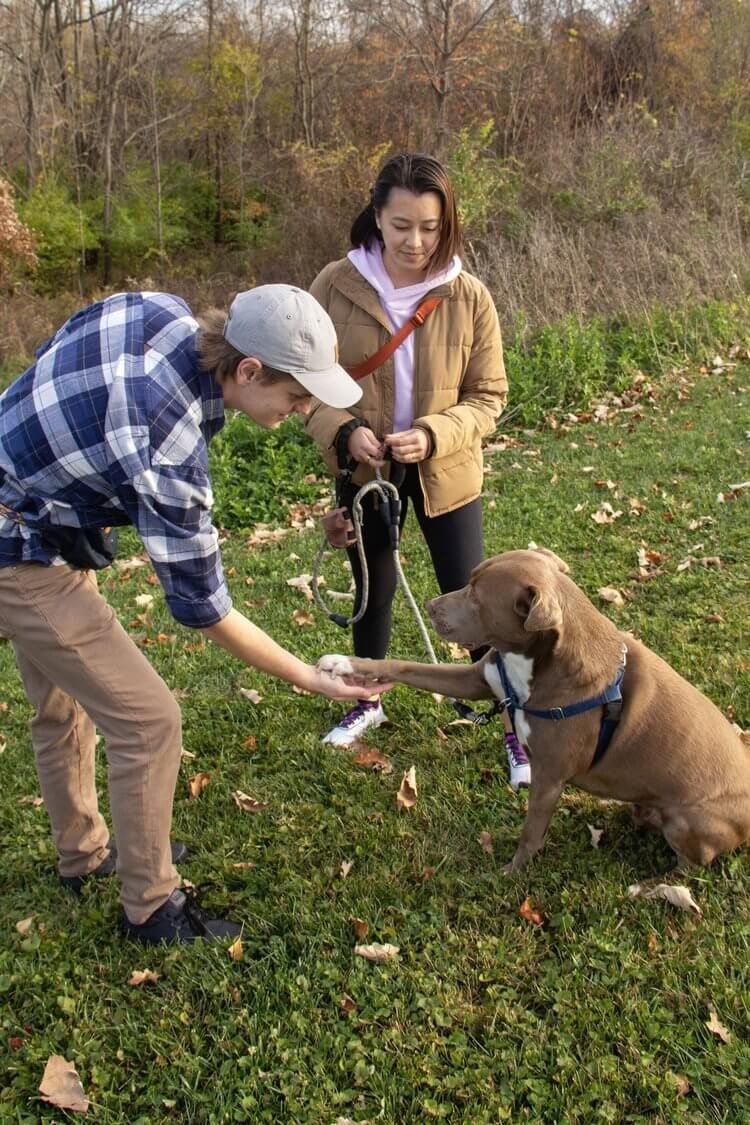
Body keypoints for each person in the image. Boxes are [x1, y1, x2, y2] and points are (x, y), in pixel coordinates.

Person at [0, 284, 375, 944]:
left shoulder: (165, 311)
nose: (305, 408)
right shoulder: (164, 436)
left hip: (40, 503)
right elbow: (204, 606)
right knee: (148, 719)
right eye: (296, 396)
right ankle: (151, 909)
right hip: (19, 541)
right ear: (249, 370)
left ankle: (82, 854)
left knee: (66, 699)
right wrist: (310, 676)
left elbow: (55, 349)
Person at [306, 152, 531, 790]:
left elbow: (490, 396)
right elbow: (306, 387)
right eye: (401, 224)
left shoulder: (469, 294)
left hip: (447, 470)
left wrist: (433, 435)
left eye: (430, 226)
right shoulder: (332, 285)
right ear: (377, 216)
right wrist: (345, 433)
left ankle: (516, 726)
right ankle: (367, 699)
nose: (416, 241)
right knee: (371, 589)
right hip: (367, 471)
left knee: (478, 598)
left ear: (447, 223)